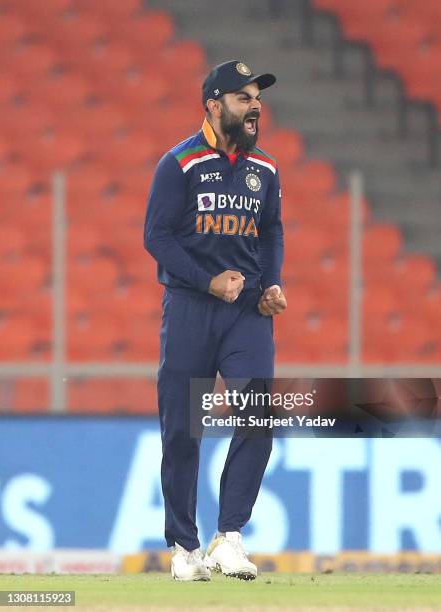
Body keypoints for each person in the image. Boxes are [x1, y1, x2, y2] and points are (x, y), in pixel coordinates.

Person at [144, 60, 287, 581]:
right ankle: (184, 547)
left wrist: (270, 283)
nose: (255, 107)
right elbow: (156, 237)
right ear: (214, 104)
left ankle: (230, 537)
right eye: (244, 98)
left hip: (247, 312)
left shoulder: (265, 169)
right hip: (189, 309)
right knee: (182, 430)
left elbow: (271, 232)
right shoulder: (178, 163)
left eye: (257, 99)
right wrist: (207, 281)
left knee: (256, 417)